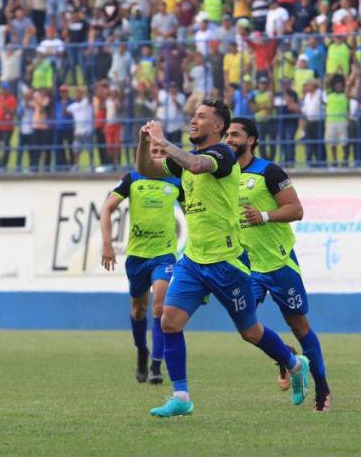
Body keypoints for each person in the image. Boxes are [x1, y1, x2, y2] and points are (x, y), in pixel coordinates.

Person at [134, 99, 310, 417]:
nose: (193, 121)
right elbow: (147, 169)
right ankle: (181, 395)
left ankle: (294, 364)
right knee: (168, 322)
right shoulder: (186, 158)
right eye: (193, 116)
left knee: (250, 332)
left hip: (228, 260)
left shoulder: (222, 155)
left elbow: (197, 166)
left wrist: (164, 142)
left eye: (201, 117)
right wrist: (144, 143)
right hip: (194, 260)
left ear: (218, 126)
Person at [225, 118, 332, 412]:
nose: (229, 138)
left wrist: (265, 215)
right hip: (248, 266)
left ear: (252, 140)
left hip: (280, 261)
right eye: (227, 134)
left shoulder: (268, 171)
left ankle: (322, 389)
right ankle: (286, 356)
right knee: (246, 327)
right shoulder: (223, 174)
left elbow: (296, 210)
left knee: (299, 325)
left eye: (235, 134)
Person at [100, 168, 184, 385]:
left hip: (164, 255)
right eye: (152, 151)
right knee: (138, 308)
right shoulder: (132, 178)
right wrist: (107, 244)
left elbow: (193, 215)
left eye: (160, 151)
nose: (155, 156)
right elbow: (107, 209)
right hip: (137, 256)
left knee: (159, 306)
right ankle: (142, 351)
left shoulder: (176, 180)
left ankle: (156, 365)